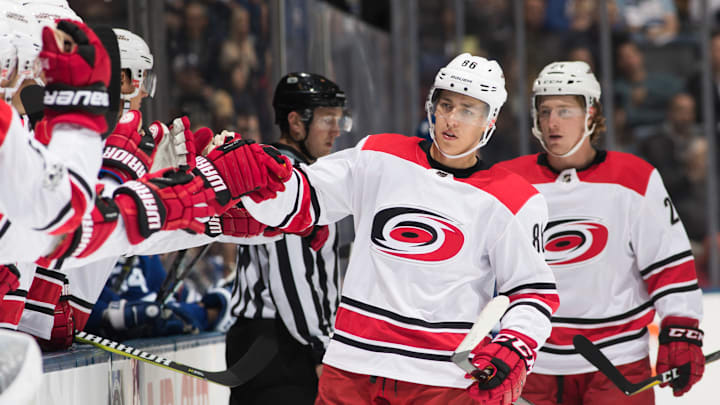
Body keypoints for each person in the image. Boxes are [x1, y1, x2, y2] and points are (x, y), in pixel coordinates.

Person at [241, 53, 559, 404]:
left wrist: (516, 344)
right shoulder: (379, 156)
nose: (451, 119)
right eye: (446, 104)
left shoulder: (514, 199)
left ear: (490, 120)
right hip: (352, 368)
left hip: (442, 381)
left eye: (468, 110)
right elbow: (300, 197)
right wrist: (249, 178)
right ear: (431, 105)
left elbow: (533, 293)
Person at [497, 61, 704, 404]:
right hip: (532, 364)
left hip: (618, 366)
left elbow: (669, 266)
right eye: (544, 110)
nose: (552, 122)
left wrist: (681, 329)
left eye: (565, 110)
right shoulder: (507, 182)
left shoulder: (635, 179)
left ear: (590, 114)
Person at [226, 72, 348, 404]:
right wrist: (322, 348)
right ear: (296, 123)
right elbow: (292, 277)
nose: (336, 130)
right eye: (327, 119)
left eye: (339, 119)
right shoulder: (286, 180)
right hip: (279, 346)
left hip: (271, 342)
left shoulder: (286, 172)